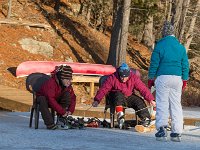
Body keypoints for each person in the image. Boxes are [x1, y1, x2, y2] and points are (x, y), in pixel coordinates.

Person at [148, 21, 189, 142]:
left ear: (164, 33)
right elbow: (185, 65)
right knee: (176, 104)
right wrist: (185, 79)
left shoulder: (160, 45)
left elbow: (154, 63)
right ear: (173, 33)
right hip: (177, 78)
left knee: (162, 103)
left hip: (163, 77)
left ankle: (162, 129)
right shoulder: (180, 47)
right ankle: (176, 132)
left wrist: (151, 78)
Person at [92, 63, 156, 129]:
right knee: (118, 95)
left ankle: (146, 119)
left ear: (129, 75)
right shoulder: (113, 77)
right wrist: (97, 100)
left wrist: (151, 99)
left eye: (125, 77)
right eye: (122, 77)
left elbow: (143, 88)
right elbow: (103, 89)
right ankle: (120, 115)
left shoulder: (133, 77)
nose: (123, 79)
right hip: (115, 98)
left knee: (139, 101)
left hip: (128, 96)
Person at [37, 65, 76, 130]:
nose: (69, 82)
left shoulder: (67, 86)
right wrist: (62, 111)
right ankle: (50, 124)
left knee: (67, 95)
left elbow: (73, 97)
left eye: (70, 79)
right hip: (45, 100)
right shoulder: (51, 83)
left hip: (55, 99)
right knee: (42, 99)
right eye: (67, 79)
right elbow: (50, 99)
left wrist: (70, 110)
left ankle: (61, 120)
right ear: (61, 78)